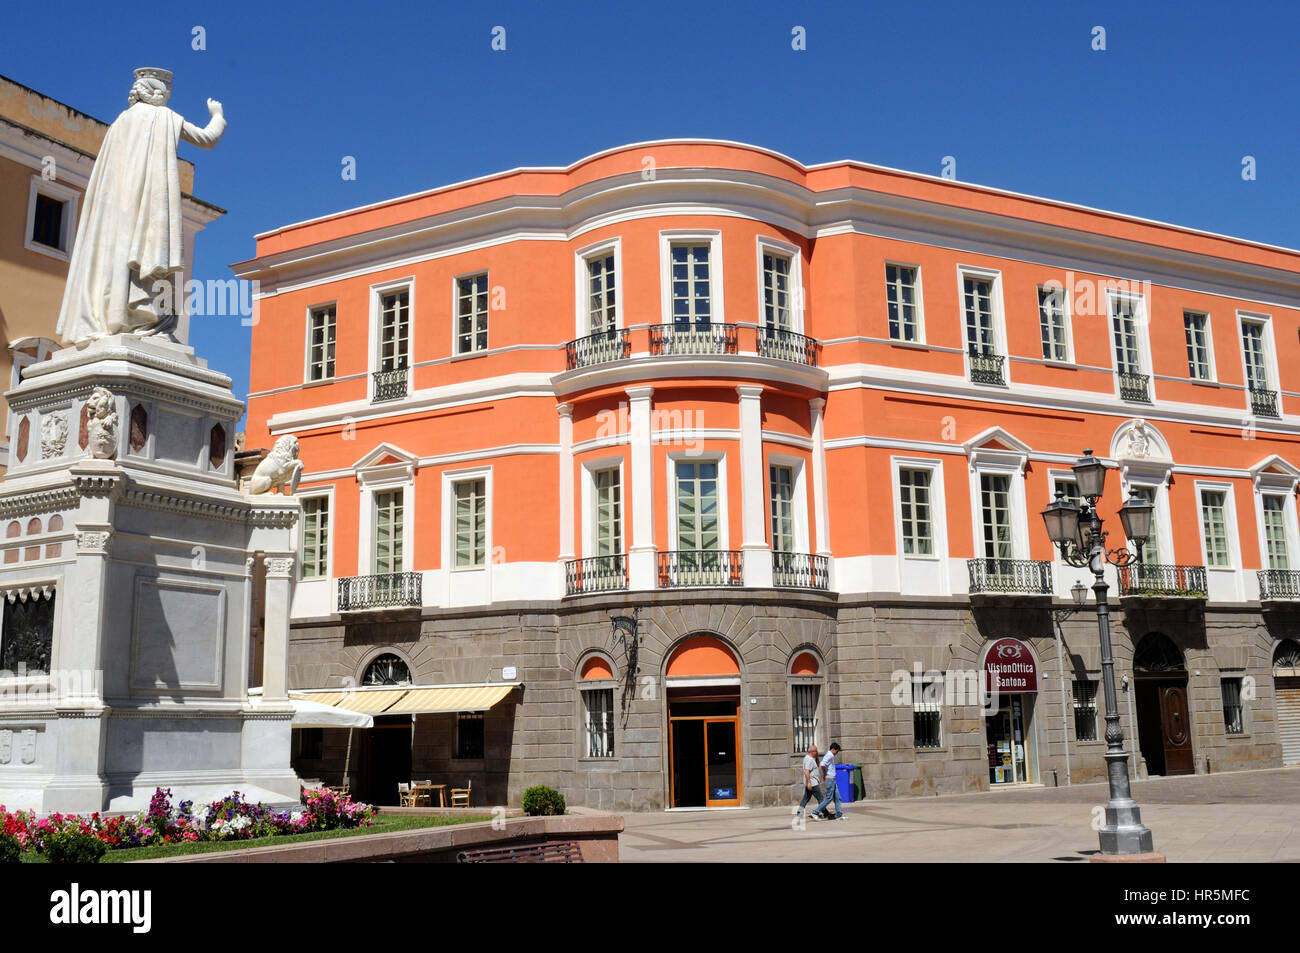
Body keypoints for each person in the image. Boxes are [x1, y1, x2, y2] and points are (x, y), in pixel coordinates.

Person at [57, 67, 226, 347]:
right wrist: (218, 115)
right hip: (148, 207)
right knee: (145, 251)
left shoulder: (120, 123)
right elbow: (207, 140)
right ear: (159, 92)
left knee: (119, 254)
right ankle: (142, 317)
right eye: (166, 92)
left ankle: (113, 315)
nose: (168, 97)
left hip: (118, 209)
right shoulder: (164, 117)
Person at [814, 742, 844, 820]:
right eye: (837, 751)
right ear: (833, 749)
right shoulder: (829, 755)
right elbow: (822, 764)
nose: (837, 753)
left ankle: (839, 814)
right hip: (830, 779)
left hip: (832, 779)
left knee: (837, 797)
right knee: (829, 798)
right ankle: (815, 812)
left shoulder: (830, 755)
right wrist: (824, 774)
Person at [796, 744, 823, 819]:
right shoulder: (809, 759)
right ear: (812, 751)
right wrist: (809, 783)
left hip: (811, 782)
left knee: (806, 798)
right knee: (821, 798)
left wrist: (817, 758)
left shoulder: (809, 758)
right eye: (816, 751)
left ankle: (799, 813)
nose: (817, 752)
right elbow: (806, 771)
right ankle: (824, 812)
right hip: (813, 783)